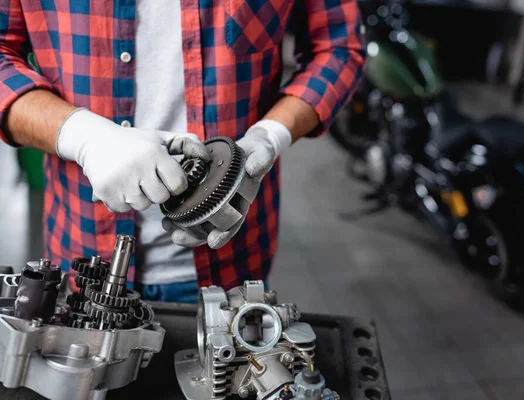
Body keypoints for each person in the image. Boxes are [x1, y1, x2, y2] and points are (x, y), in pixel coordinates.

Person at [0, 1, 365, 302]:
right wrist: (85, 137)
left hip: (233, 261)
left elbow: (337, 46)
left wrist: (270, 135)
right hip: (82, 258)